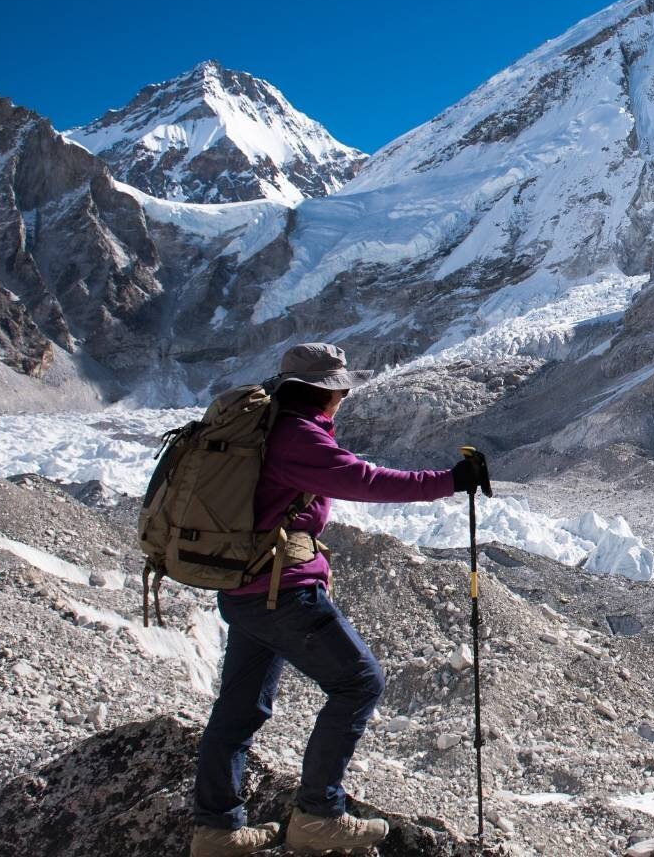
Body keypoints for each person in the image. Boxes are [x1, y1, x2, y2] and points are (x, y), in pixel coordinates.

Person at [190, 342, 488, 857]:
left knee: (240, 708)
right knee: (359, 681)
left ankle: (216, 831)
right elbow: (363, 480)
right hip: (283, 592)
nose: (344, 398)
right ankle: (318, 815)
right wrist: (449, 481)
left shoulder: (266, 430)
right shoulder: (297, 438)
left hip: (243, 588)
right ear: (328, 393)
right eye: (341, 389)